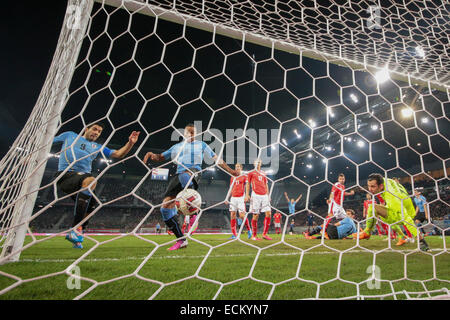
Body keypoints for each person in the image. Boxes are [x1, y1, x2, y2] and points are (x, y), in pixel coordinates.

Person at [143, 123, 237, 251]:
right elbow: (160, 157)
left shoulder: (202, 145)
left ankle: (193, 209)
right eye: (190, 132)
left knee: (185, 175)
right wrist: (151, 155)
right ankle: (181, 240)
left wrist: (231, 171)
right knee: (164, 208)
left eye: (194, 132)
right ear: (184, 133)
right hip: (178, 176)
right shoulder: (176, 147)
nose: (192, 134)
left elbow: (217, 159)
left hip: (193, 172)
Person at [52, 122, 140, 249]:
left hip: (81, 181)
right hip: (65, 175)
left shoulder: (97, 146)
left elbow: (118, 154)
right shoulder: (70, 136)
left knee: (92, 206)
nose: (96, 133)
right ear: (86, 129)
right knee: (91, 180)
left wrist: (130, 143)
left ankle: (78, 234)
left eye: (99, 132)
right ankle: (75, 230)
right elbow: (51, 142)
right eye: (94, 129)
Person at [353, 173, 431, 252]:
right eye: (368, 186)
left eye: (373, 186)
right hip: (405, 206)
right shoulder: (385, 181)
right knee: (384, 215)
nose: (369, 189)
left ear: (381, 186)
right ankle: (402, 236)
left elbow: (407, 219)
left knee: (372, 208)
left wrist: (421, 241)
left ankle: (367, 233)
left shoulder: (392, 197)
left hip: (405, 212)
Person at [246, 159, 272, 241]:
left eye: (259, 162)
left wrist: (268, 195)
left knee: (268, 213)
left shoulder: (264, 173)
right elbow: (247, 184)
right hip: (256, 195)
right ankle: (254, 236)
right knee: (256, 215)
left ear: (261, 163)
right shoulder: (250, 173)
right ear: (254, 163)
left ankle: (264, 234)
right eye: (256, 162)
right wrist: (247, 194)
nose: (258, 163)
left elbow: (266, 184)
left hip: (264, 195)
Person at [227, 163, 252, 239]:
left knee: (242, 215)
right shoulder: (232, 177)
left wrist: (247, 195)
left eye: (238, 167)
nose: (237, 168)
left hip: (241, 198)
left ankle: (249, 230)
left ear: (241, 168)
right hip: (233, 198)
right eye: (236, 167)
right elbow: (231, 188)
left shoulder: (244, 176)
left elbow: (247, 186)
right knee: (232, 215)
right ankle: (234, 234)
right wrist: (227, 198)